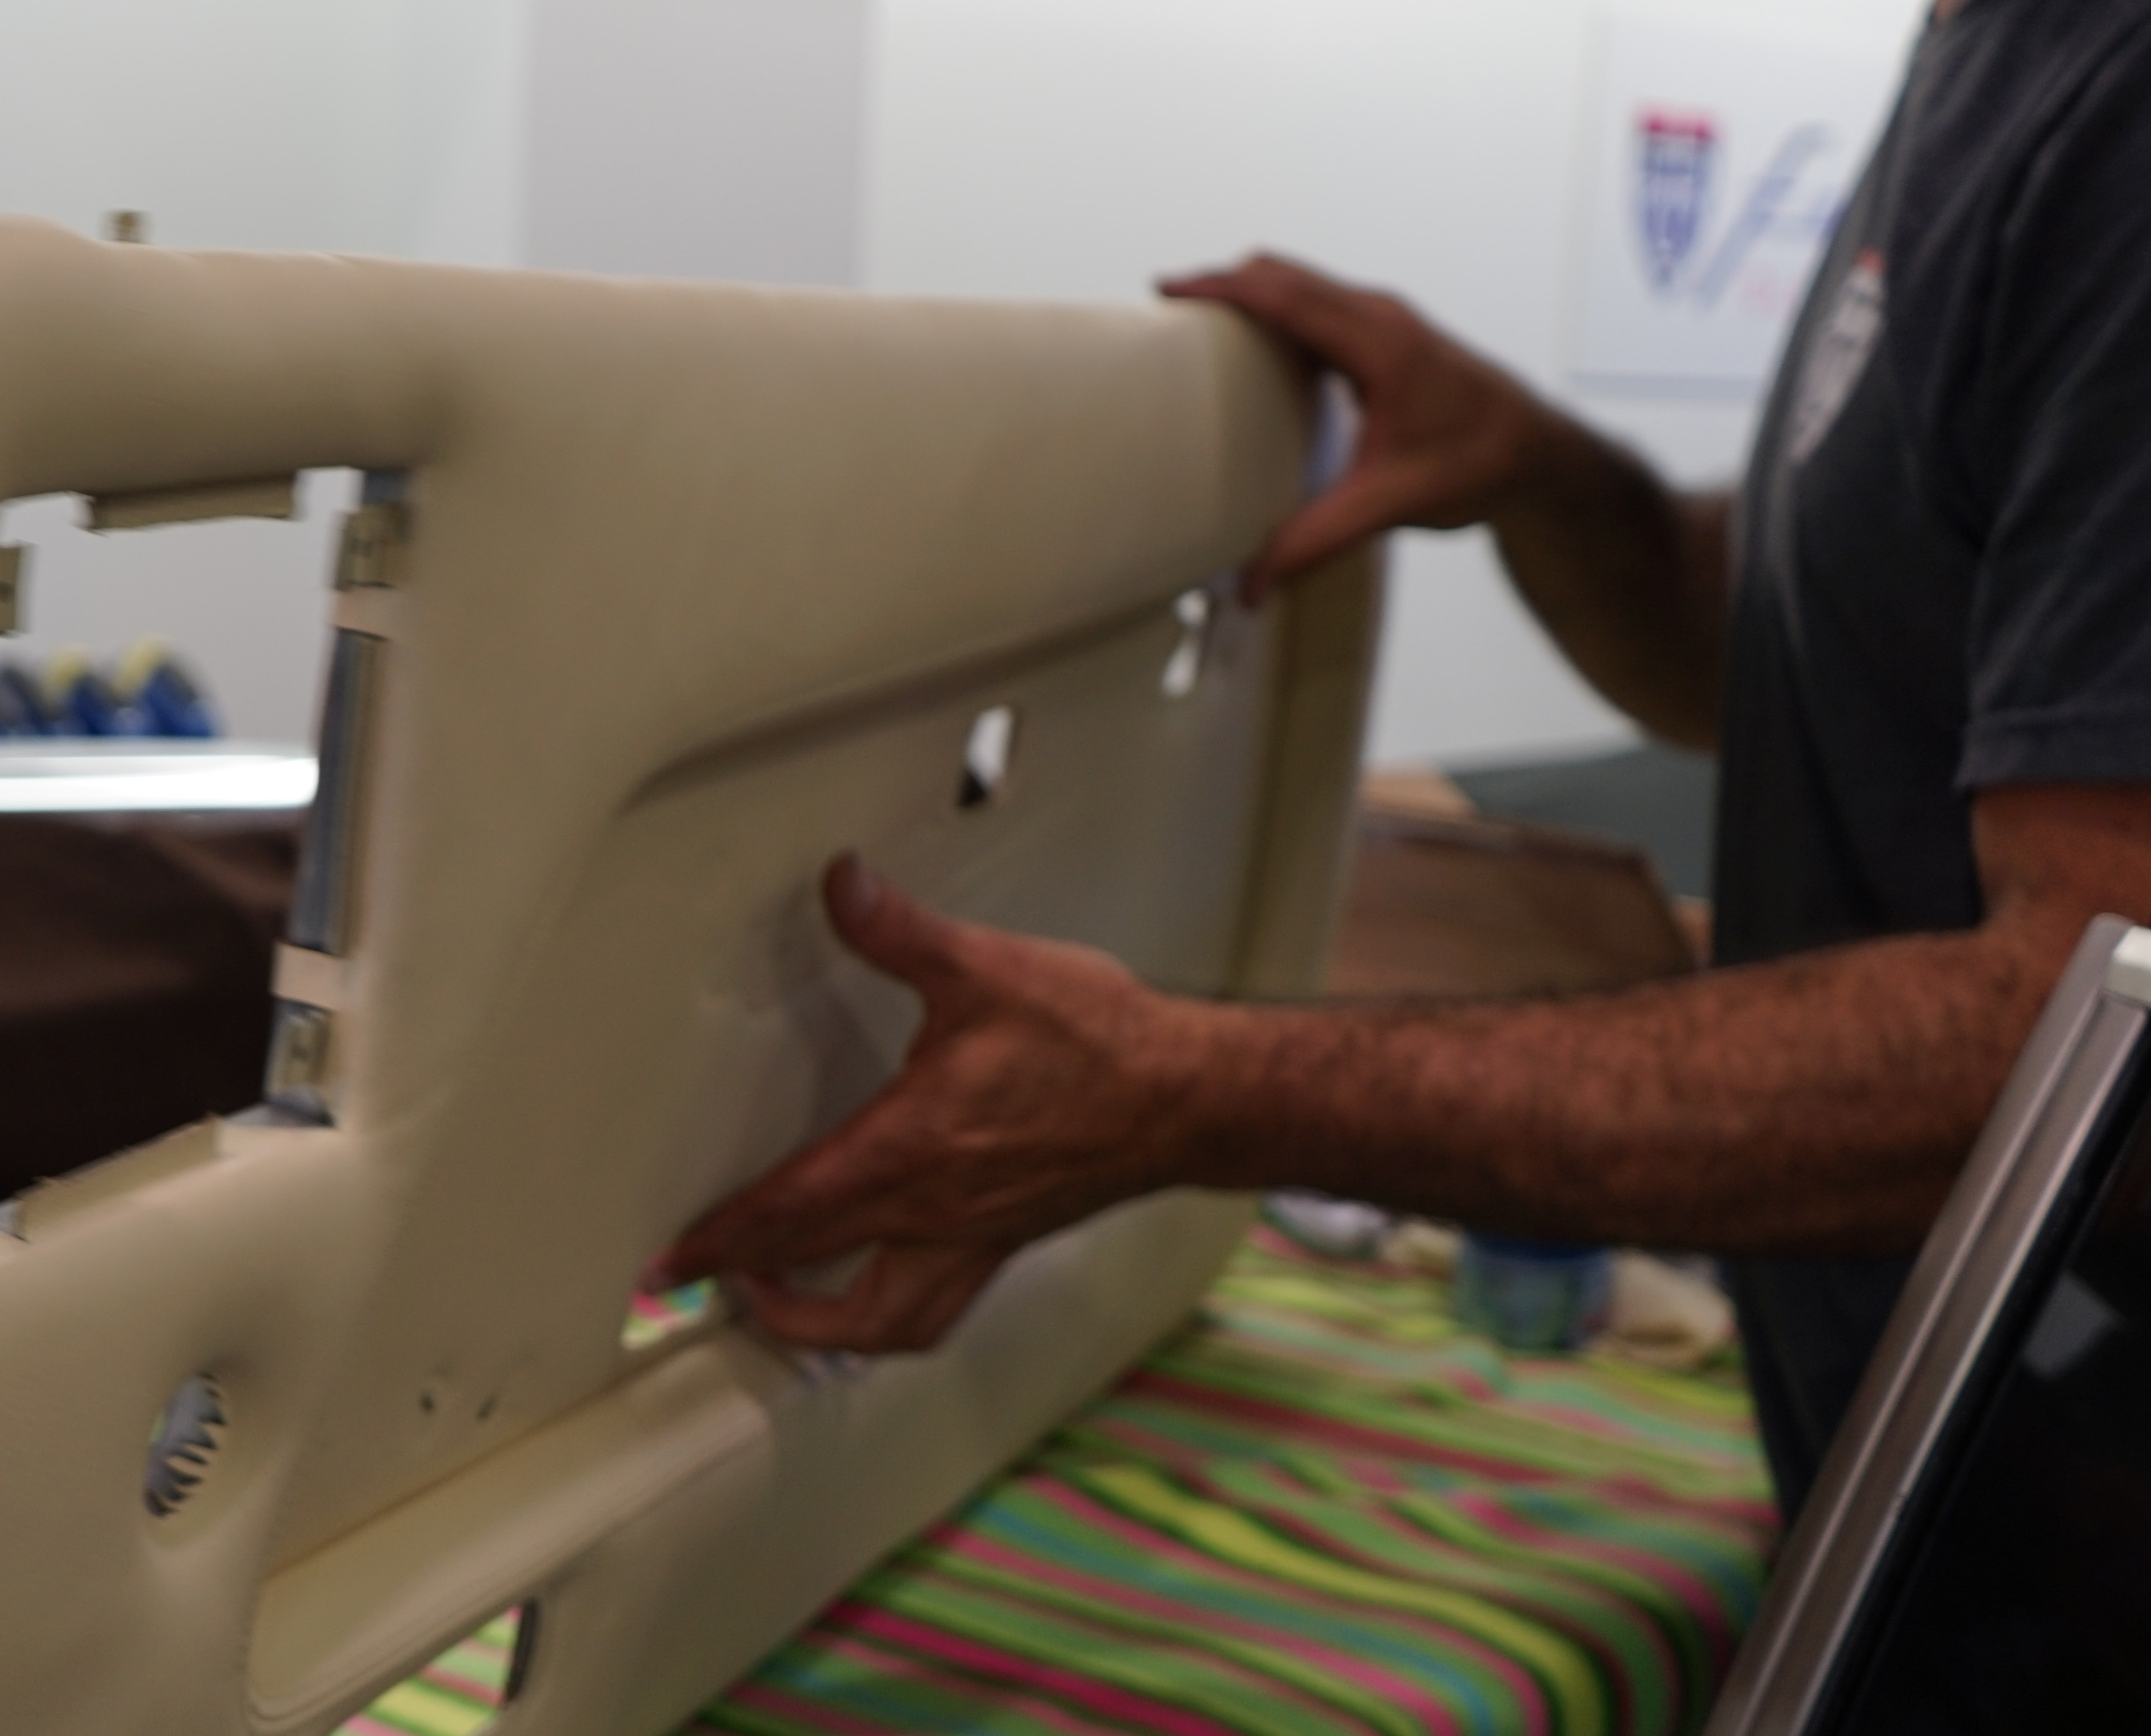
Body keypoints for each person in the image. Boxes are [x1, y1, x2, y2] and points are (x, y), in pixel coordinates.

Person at [653, 0, 2151, 1514]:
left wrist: (1195, 1093)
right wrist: (1543, 474)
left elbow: (2099, 1035)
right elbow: (1809, 654)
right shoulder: (1992, 53)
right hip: (1912, 1476)